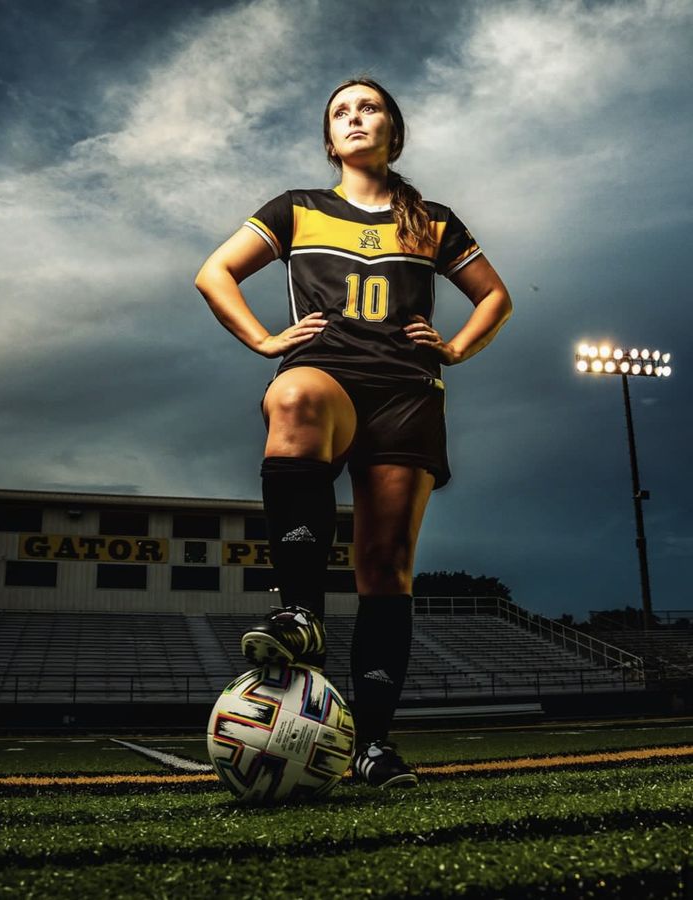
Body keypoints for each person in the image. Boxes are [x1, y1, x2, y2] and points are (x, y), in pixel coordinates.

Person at [195, 77, 512, 788]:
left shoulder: (431, 220)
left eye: (367, 107)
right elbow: (213, 273)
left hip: (406, 390)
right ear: (329, 139)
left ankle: (371, 744)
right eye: (340, 111)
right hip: (328, 372)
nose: (354, 117)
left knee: (383, 566)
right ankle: (300, 612)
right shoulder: (296, 209)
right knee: (294, 396)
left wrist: (456, 348)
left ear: (392, 131)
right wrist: (262, 339)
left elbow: (495, 296)